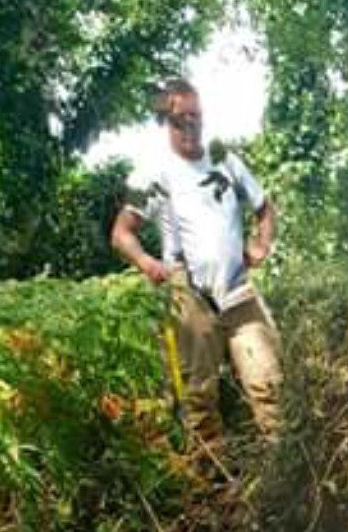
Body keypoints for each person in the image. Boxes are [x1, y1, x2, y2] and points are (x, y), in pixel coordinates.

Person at [111, 78, 281, 443]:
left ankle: (287, 472)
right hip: (189, 295)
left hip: (237, 290)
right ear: (165, 123)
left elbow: (265, 208)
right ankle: (214, 488)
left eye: (196, 117)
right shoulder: (152, 173)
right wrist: (148, 264)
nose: (190, 126)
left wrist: (260, 245)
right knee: (198, 398)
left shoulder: (224, 160)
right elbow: (122, 233)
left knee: (270, 384)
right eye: (180, 119)